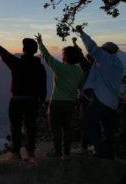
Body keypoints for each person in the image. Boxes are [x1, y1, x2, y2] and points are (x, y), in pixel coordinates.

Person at [0, 38, 47, 163]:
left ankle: (16, 152)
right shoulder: (40, 67)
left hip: (16, 100)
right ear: (35, 50)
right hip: (32, 101)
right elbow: (43, 86)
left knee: (15, 127)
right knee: (30, 126)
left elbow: (5, 55)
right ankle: (31, 152)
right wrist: (41, 101)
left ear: (23, 50)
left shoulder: (17, 63)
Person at [76, 26, 124, 159]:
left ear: (105, 50)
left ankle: (103, 151)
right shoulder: (119, 64)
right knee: (108, 130)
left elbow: (92, 47)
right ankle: (109, 154)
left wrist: (81, 33)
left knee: (86, 123)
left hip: (102, 100)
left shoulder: (104, 58)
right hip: (113, 103)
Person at [35, 33, 83, 159]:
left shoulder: (60, 67)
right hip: (71, 103)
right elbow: (81, 86)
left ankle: (57, 152)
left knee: (55, 128)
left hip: (57, 102)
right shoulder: (79, 71)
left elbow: (46, 56)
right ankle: (66, 152)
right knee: (67, 128)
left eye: (63, 54)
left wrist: (40, 42)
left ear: (66, 57)